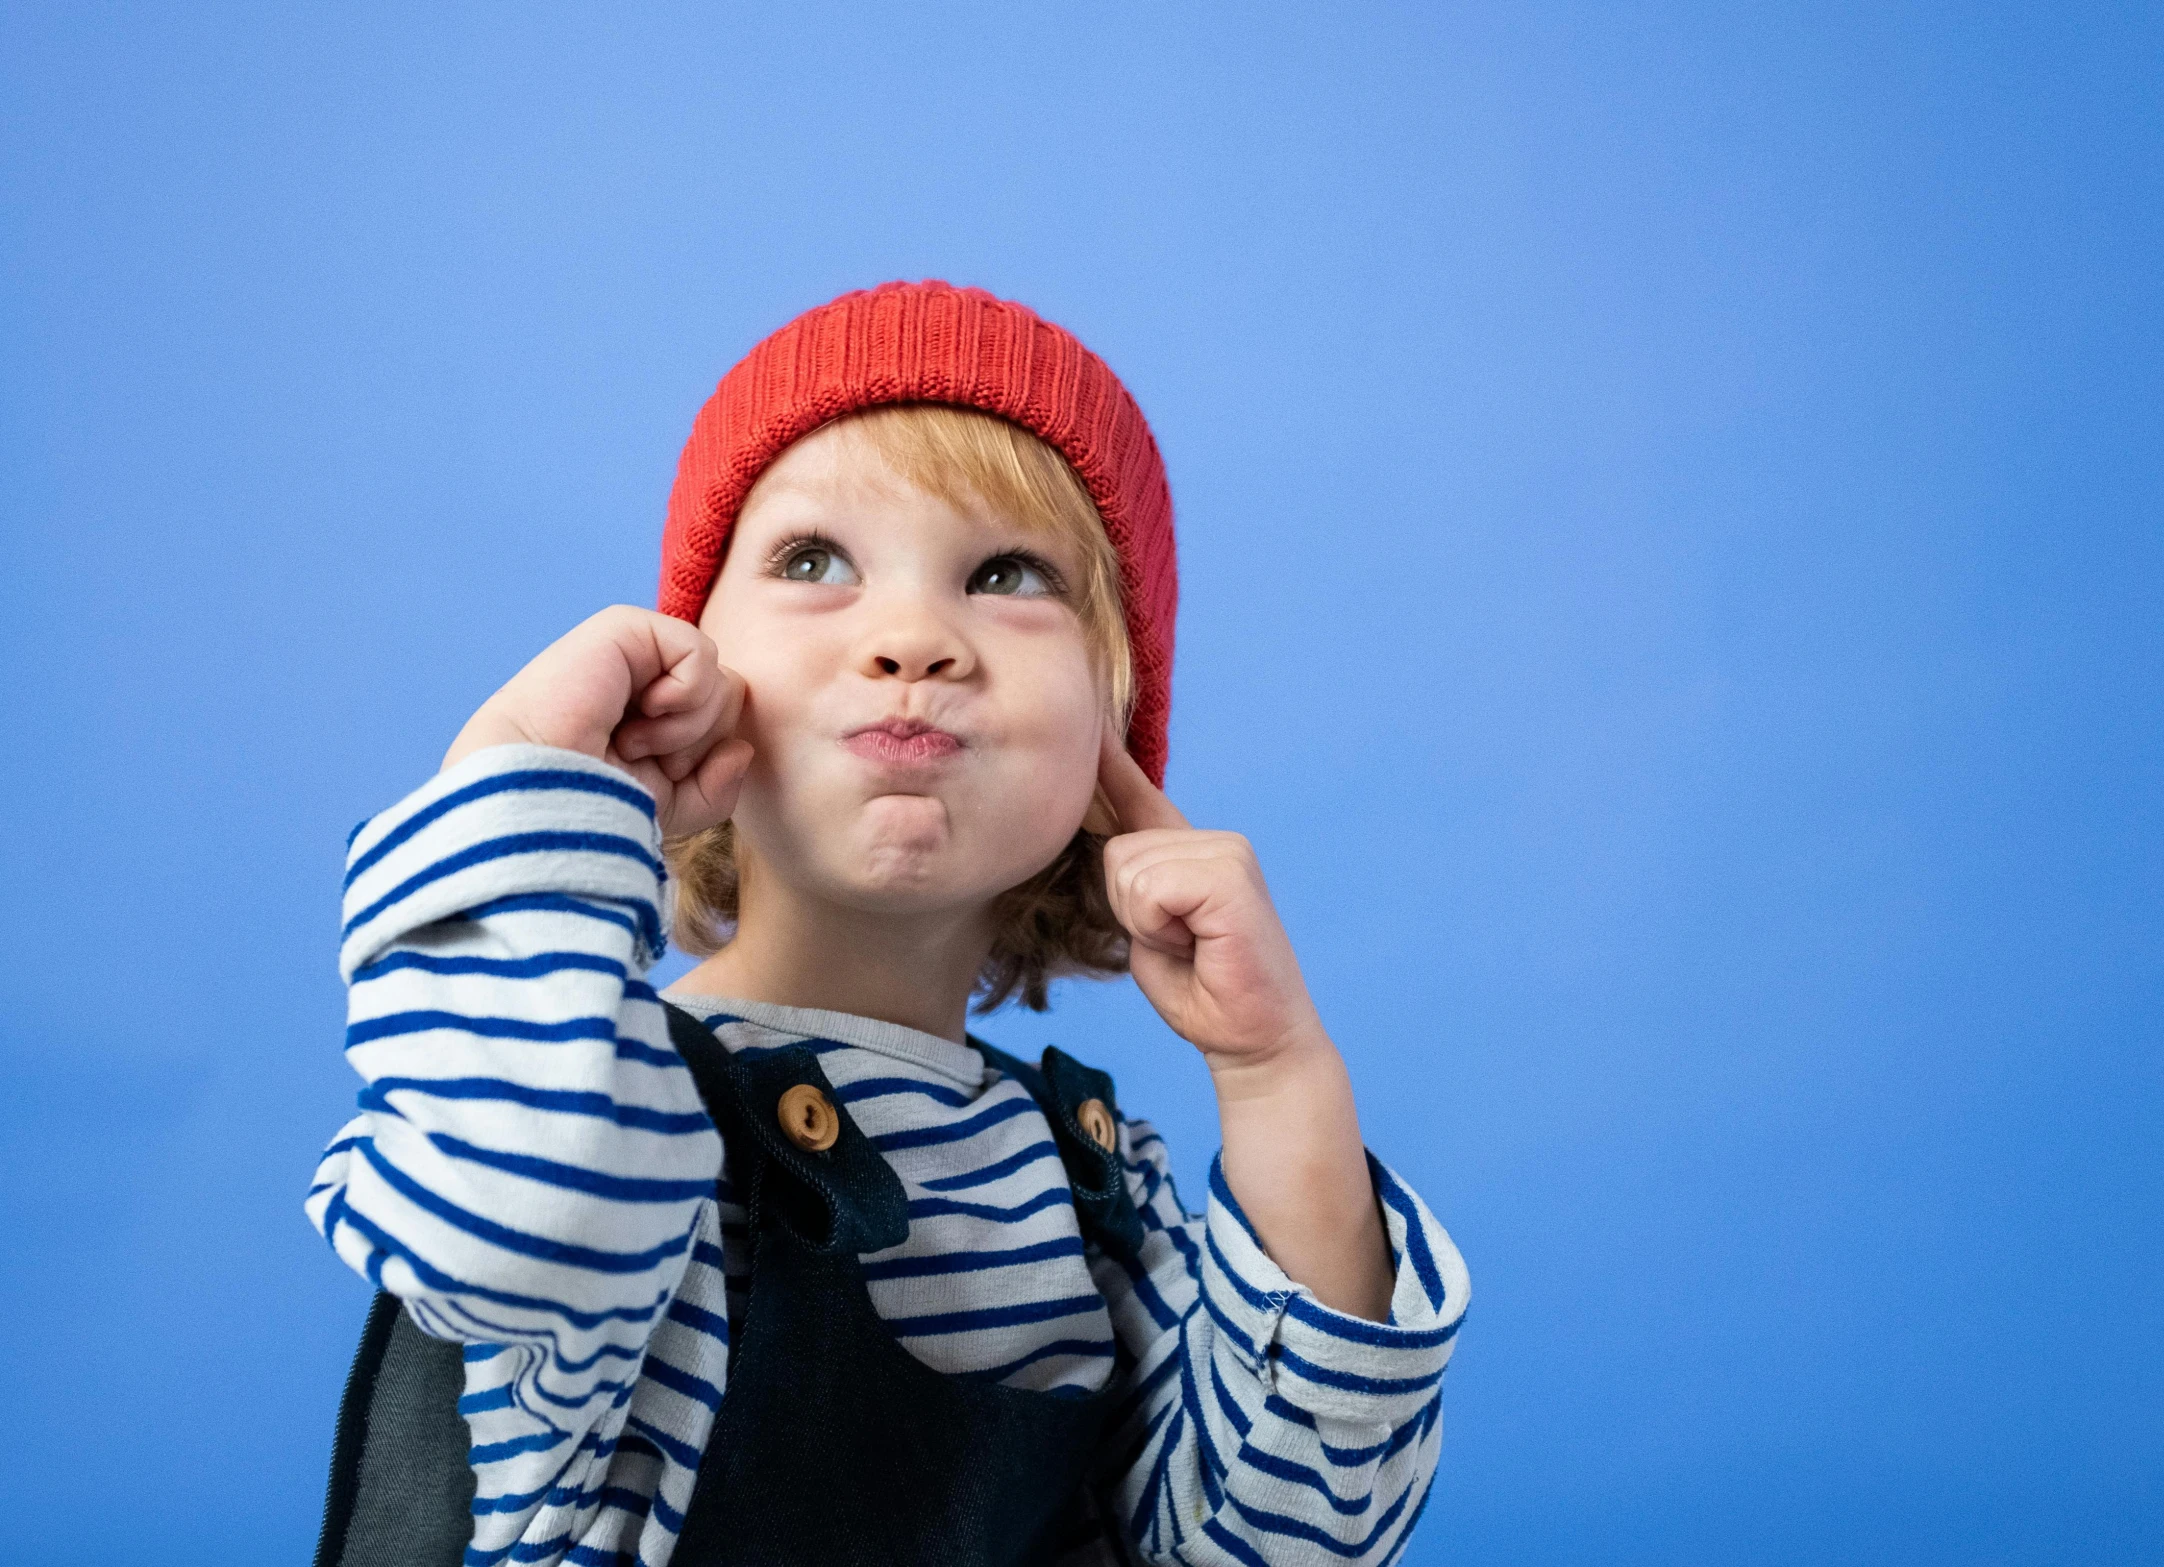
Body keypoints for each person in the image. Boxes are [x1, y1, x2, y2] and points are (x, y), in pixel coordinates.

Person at [306, 280, 1470, 1566]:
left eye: (1007, 573)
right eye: (813, 562)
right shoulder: (608, 1096)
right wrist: (525, 778)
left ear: (1110, 735)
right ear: (685, 671)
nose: (913, 636)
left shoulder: (1088, 1186)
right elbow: (526, 1214)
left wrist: (1275, 1078)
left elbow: (1281, 1540)